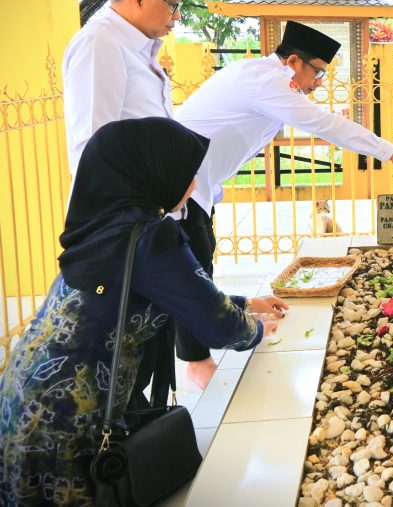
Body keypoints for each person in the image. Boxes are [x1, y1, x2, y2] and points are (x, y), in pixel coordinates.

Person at [0, 118, 280, 506]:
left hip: (25, 391)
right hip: (69, 412)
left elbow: (174, 294)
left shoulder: (103, 222)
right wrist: (259, 329)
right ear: (153, 171)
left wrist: (247, 303)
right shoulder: (151, 237)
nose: (194, 185)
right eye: (186, 173)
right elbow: (221, 328)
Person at [175, 20, 393, 388]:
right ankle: (197, 360)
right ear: (294, 61)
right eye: (318, 73)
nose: (317, 84)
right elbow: (324, 125)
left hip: (197, 184)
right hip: (178, 185)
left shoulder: (265, 79)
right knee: (191, 265)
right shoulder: (266, 81)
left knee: (199, 258)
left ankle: (230, 315)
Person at [63, 0, 184, 176]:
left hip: (147, 201)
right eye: (173, 4)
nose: (177, 16)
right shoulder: (100, 43)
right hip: (122, 204)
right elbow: (94, 145)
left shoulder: (135, 46)